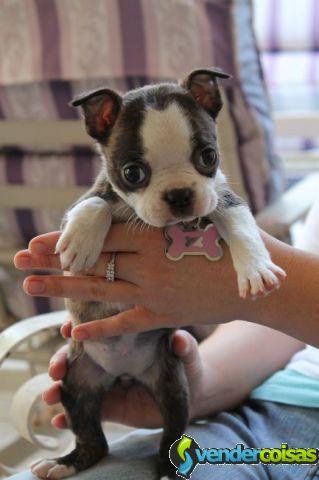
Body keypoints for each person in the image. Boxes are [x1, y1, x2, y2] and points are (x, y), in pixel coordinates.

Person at [11, 198, 319, 479]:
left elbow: (277, 296)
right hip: (274, 406)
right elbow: (281, 322)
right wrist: (204, 386)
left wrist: (244, 280)